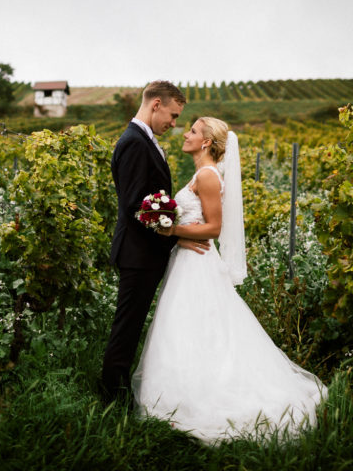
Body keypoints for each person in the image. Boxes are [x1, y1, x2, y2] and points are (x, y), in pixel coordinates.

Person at [132, 116, 327, 444]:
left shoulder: (208, 176)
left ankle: (197, 397)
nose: (186, 134)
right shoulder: (201, 173)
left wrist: (171, 229)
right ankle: (182, 392)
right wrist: (172, 230)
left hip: (198, 263)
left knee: (197, 326)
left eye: (193, 131)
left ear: (206, 141)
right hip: (187, 259)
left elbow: (213, 228)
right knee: (189, 328)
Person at [102, 80, 209, 403]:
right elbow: (137, 204)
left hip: (144, 252)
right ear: (156, 104)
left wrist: (175, 234)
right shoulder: (135, 142)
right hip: (138, 254)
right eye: (173, 116)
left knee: (131, 326)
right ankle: (112, 397)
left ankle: (117, 392)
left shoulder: (143, 139)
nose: (174, 124)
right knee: (127, 328)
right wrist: (174, 235)